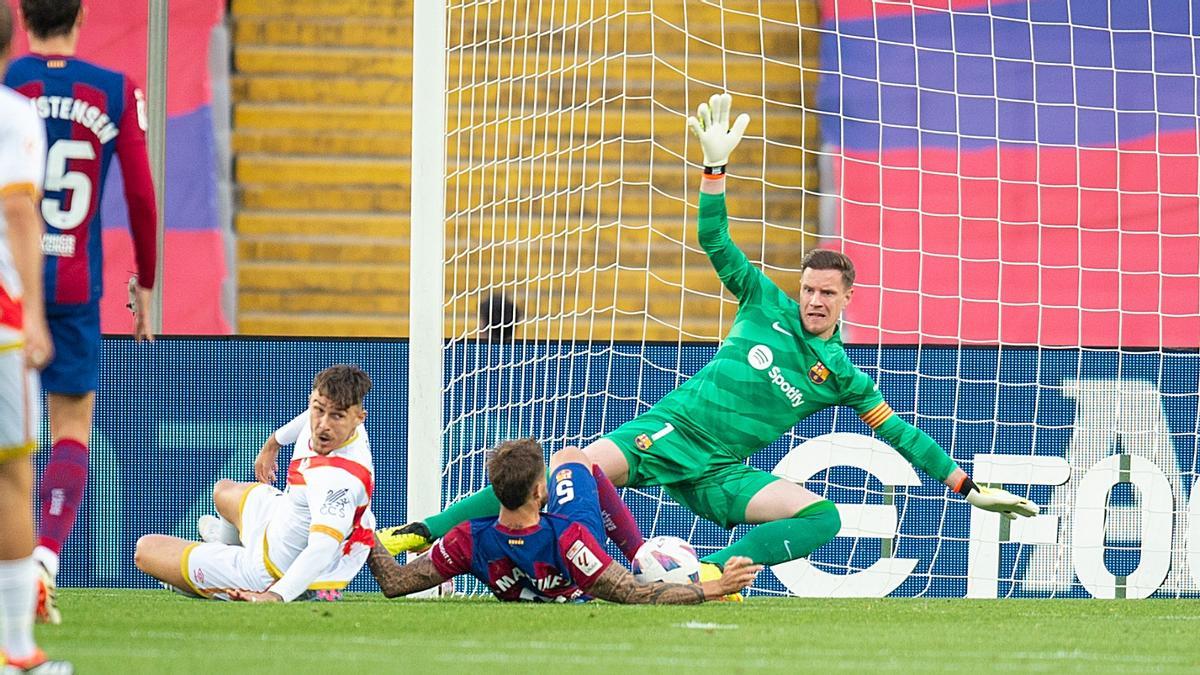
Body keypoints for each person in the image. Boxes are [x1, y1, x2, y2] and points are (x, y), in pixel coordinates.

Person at [378, 94, 1040, 595]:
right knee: (566, 469)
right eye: (808, 288)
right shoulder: (762, 302)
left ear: (847, 300)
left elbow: (902, 435)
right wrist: (715, 168)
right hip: (670, 429)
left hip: (722, 474)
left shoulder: (841, 375)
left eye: (826, 294)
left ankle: (709, 569)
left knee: (823, 517)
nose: (813, 300)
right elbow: (716, 242)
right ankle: (421, 532)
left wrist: (965, 484)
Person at [3, 0, 158, 623]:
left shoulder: (8, 85)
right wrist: (145, 283)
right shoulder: (115, 89)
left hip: (9, 280)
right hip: (71, 284)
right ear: (82, 15)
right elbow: (142, 196)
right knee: (70, 430)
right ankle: (43, 557)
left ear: (22, 16)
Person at [368, 438, 760, 603]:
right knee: (574, 458)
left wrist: (360, 528)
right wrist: (717, 587)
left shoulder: (467, 539)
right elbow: (634, 595)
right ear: (541, 492)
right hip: (578, 560)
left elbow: (395, 583)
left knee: (571, 459)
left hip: (516, 558)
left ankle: (643, 552)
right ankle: (641, 551)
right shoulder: (571, 539)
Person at [134, 365, 377, 603]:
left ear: (358, 418)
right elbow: (316, 414)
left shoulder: (337, 480)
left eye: (337, 416)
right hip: (277, 520)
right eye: (318, 409)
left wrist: (275, 595)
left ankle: (211, 575)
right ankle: (222, 550)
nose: (324, 423)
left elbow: (323, 547)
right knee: (223, 490)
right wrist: (273, 444)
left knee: (146, 550)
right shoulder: (341, 419)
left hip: (272, 572)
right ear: (311, 401)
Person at [0, 5, 70, 672]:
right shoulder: (16, 115)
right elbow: (20, 211)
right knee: (10, 479)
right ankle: (16, 652)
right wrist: (34, 318)